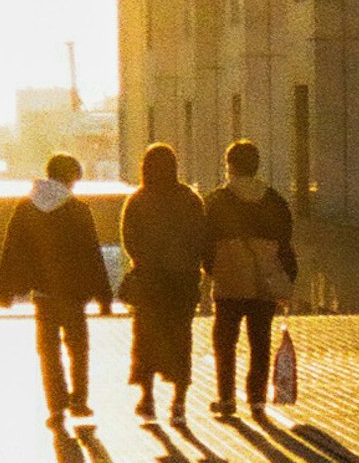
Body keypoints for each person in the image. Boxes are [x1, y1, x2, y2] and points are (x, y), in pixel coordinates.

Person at [0, 153, 114, 427]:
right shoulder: (78, 209)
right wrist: (104, 296)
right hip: (74, 293)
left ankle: (56, 406)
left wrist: (4, 290)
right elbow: (92, 255)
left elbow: (12, 250)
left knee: (48, 351)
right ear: (71, 177)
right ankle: (79, 400)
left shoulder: (26, 207)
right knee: (78, 347)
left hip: (43, 293)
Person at [200, 138, 298, 419]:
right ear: (256, 166)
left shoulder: (216, 201)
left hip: (229, 281)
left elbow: (205, 243)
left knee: (225, 342)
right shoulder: (274, 200)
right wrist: (285, 276)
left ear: (229, 166)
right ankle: (257, 399)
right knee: (260, 340)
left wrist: (213, 269)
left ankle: (227, 398)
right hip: (263, 281)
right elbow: (285, 242)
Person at [117, 141, 212, 425]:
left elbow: (129, 239)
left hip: (150, 282)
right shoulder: (190, 199)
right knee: (181, 339)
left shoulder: (138, 200)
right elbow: (200, 238)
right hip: (182, 282)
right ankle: (179, 402)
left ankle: (147, 400)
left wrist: (144, 261)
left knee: (145, 340)